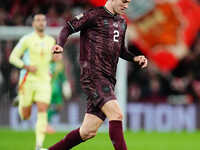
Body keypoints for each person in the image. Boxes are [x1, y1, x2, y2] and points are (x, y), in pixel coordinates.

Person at [43, 0, 148, 150]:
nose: (126, 6)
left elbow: (121, 50)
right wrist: (60, 43)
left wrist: (134, 58)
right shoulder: (94, 15)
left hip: (108, 79)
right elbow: (69, 26)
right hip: (93, 76)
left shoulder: (122, 22)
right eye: (124, 1)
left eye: (128, 2)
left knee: (88, 131)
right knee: (116, 114)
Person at [9, 14, 58, 150]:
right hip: (28, 80)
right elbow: (13, 57)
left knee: (42, 109)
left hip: (44, 81)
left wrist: (57, 58)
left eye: (43, 20)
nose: (41, 22)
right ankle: (20, 101)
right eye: (38, 20)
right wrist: (26, 66)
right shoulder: (27, 39)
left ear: (46, 23)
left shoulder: (50, 41)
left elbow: (55, 58)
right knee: (25, 116)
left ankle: (38, 146)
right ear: (33, 24)